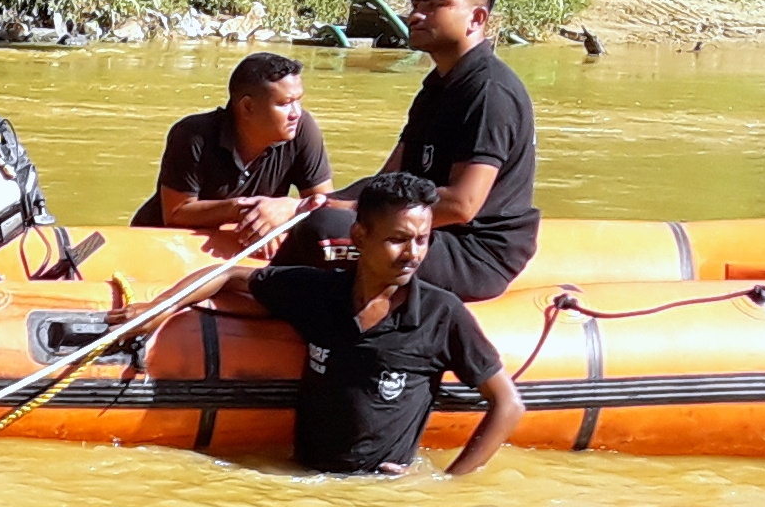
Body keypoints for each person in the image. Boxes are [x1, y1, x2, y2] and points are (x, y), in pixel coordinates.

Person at [147, 174, 525, 475]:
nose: (412, 254)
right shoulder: (320, 293)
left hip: (381, 493)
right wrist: (158, 310)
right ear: (360, 236)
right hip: (308, 481)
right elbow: (227, 274)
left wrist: (447, 483)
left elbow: (508, 404)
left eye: (422, 240)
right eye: (397, 240)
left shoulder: (441, 314)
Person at [272, 0, 538, 300]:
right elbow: (386, 181)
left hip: (471, 253)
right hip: (418, 233)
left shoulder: (489, 92)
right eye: (415, 4)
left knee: (326, 231)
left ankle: (262, 299)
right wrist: (315, 202)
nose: (415, 15)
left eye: (434, 4)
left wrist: (342, 213)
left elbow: (461, 204)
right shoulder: (437, 86)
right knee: (321, 218)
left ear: (477, 17)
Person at [131, 51, 335, 240]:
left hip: (240, 241)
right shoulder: (192, 135)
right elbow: (176, 213)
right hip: (164, 241)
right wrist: (247, 212)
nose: (296, 113)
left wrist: (290, 209)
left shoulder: (303, 129)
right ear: (247, 106)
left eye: (299, 100)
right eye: (284, 103)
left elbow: (326, 205)